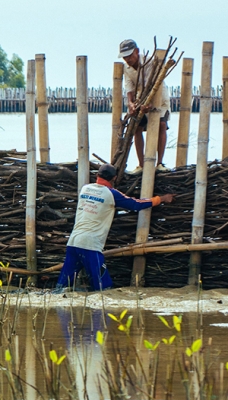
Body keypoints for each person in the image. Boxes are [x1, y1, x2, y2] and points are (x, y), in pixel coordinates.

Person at [56, 163, 174, 291]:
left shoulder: (85, 189)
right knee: (103, 289)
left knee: (61, 287)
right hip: (90, 245)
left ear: (97, 175)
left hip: (73, 242)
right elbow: (136, 204)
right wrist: (160, 198)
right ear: (114, 178)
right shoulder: (111, 194)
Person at [119, 39, 170, 174]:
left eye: (129, 55)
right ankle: (141, 165)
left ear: (137, 51)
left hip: (158, 97)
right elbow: (128, 86)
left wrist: (146, 103)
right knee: (137, 128)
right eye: (125, 57)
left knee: (162, 126)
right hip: (140, 98)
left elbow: (150, 85)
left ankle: (159, 163)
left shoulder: (150, 62)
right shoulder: (126, 68)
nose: (127, 59)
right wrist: (130, 103)